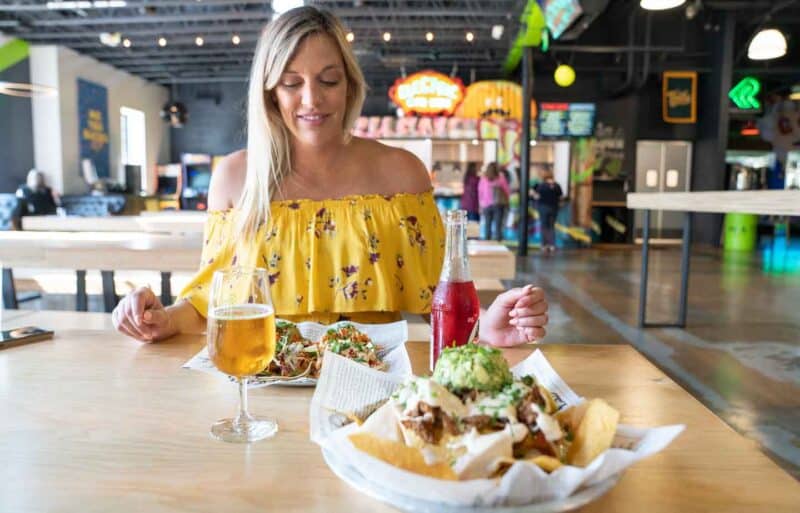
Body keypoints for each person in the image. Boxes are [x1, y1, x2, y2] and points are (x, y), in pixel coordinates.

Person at [111, 6, 548, 347]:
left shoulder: (401, 173)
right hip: (264, 387)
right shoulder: (234, 177)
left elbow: (441, 299)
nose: (311, 99)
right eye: (290, 82)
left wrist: (488, 326)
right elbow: (212, 302)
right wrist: (160, 319)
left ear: (350, 85)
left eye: (329, 80)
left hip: (374, 390)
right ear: (268, 91)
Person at [478, 162, 510, 241]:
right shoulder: (500, 178)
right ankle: (498, 246)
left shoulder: (483, 179)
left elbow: (480, 192)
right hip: (498, 205)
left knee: (487, 227)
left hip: (486, 206)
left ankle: (487, 245)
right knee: (498, 227)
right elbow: (507, 191)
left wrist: (481, 204)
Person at [533, 170, 563, 253]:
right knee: (551, 226)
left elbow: (537, 197)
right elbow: (560, 197)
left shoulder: (541, 186)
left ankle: (544, 245)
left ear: (544, 177)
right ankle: (552, 245)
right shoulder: (557, 186)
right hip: (554, 208)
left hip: (543, 208)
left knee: (544, 226)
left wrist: (532, 194)